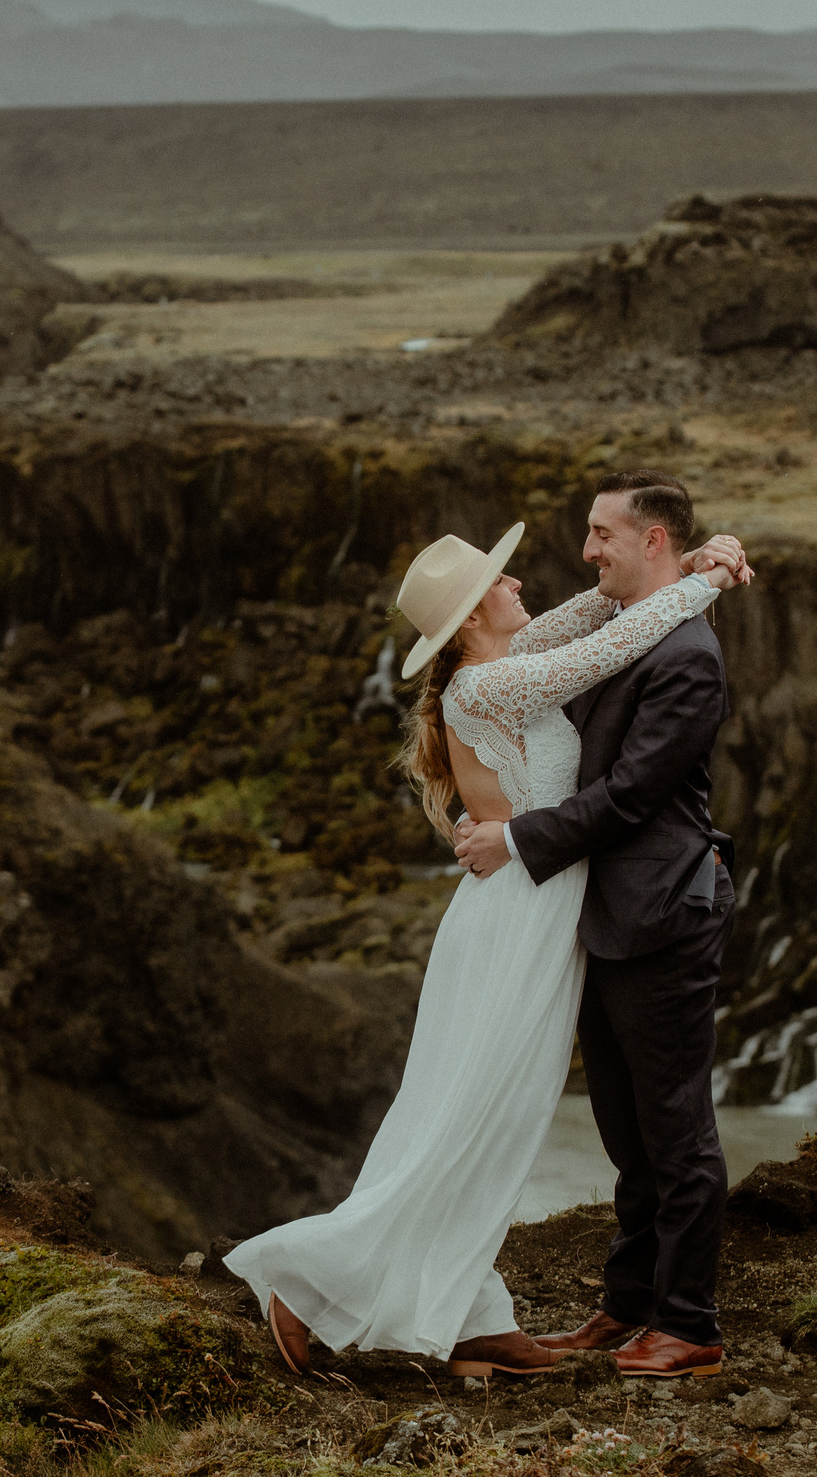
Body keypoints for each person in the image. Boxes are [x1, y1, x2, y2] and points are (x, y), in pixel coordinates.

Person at [225, 501, 750, 1379]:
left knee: (488, 1116)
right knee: (473, 1115)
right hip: (522, 917)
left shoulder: (505, 658)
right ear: (471, 616)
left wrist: (690, 560)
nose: (521, 580)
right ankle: (307, 1277)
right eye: (499, 579)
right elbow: (609, 645)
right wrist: (709, 581)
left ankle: (466, 1307)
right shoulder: (492, 683)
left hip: (539, 910)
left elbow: (594, 614)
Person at [452, 470, 743, 1380]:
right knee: (624, 1124)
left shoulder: (688, 655)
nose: (586, 551)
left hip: (662, 911)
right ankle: (627, 1303)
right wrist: (705, 567)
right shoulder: (625, 628)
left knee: (676, 1124)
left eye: (601, 535)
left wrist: (517, 840)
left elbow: (627, 797)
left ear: (652, 540)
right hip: (601, 918)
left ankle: (689, 1322)